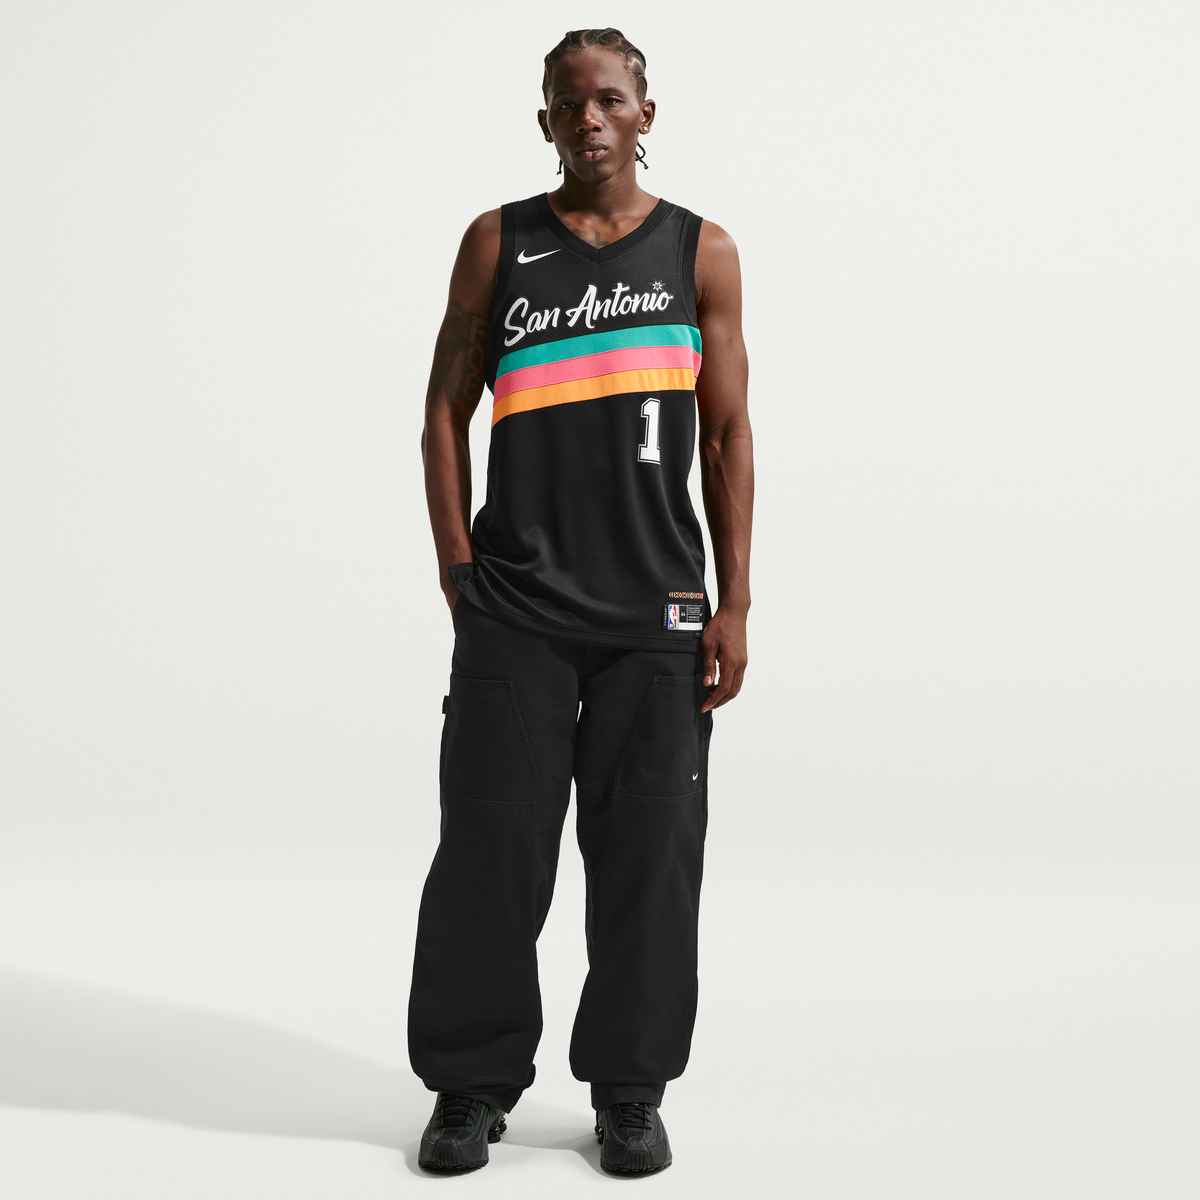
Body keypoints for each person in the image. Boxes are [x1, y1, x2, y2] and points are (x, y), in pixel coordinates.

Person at [408, 27, 753, 1176]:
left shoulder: (700, 251)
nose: (590, 118)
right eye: (569, 102)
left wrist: (735, 602)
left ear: (647, 113)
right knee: (490, 853)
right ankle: (470, 1085)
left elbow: (728, 434)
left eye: (609, 99)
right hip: (518, 611)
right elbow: (442, 411)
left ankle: (629, 1091)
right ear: (545, 120)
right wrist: (459, 570)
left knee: (650, 862)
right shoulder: (498, 243)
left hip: (657, 616)